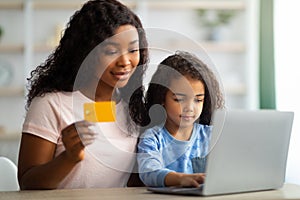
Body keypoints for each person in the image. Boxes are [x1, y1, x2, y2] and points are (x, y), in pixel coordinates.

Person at [18, 0, 149, 190]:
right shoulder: (51, 104)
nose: (125, 61)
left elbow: (131, 181)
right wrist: (68, 158)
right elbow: (27, 182)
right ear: (86, 52)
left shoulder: (133, 107)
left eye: (133, 50)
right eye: (111, 50)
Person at [137, 51, 224, 187]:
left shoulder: (212, 135)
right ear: (162, 99)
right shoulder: (152, 138)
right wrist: (180, 179)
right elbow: (149, 172)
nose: (189, 107)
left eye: (198, 100)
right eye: (179, 99)